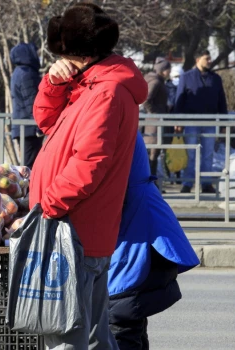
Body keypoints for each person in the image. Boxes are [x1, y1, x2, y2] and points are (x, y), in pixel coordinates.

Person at [29, 3, 147, 349]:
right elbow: (49, 123)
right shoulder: (92, 86)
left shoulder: (105, 93)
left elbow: (89, 164)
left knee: (67, 334)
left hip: (75, 229)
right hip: (79, 228)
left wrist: (47, 206)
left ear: (75, 52)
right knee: (92, 335)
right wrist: (53, 84)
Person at [108, 131, 200, 350]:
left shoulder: (110, 116)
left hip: (135, 237)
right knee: (129, 318)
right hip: (137, 233)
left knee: (122, 315)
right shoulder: (119, 115)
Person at [175, 50, 227, 194]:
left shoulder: (215, 78)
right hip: (191, 122)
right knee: (191, 153)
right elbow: (179, 99)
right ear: (198, 59)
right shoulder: (187, 77)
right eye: (207, 58)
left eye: (210, 58)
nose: (209, 61)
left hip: (210, 122)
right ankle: (187, 183)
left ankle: (206, 184)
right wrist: (177, 120)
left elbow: (221, 101)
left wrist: (223, 124)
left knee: (208, 154)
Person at [10, 42, 43, 169]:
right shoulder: (26, 74)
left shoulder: (20, 71)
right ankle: (28, 189)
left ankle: (28, 188)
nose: (38, 56)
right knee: (30, 166)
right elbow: (32, 101)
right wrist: (39, 124)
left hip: (25, 125)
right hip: (29, 128)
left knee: (29, 165)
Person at [142, 57, 172, 177]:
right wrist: (155, 112)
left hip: (154, 122)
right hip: (154, 123)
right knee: (153, 153)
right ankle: (152, 183)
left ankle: (152, 182)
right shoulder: (156, 82)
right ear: (163, 70)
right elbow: (147, 99)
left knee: (153, 153)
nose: (170, 71)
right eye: (168, 69)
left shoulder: (156, 80)